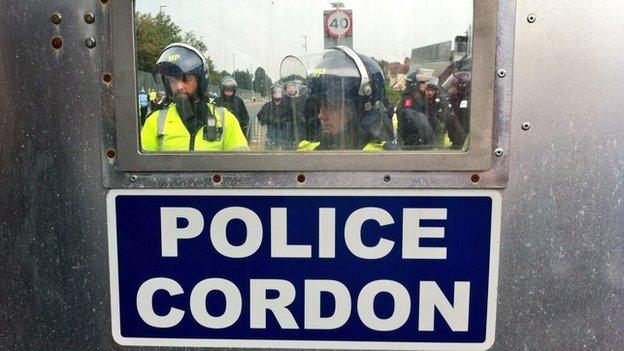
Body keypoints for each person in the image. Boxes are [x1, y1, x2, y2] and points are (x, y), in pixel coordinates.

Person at [140, 43, 249, 152]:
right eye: (173, 80)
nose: (179, 87)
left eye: (186, 78)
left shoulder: (226, 119)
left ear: (200, 81)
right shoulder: (155, 121)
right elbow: (141, 166)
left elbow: (242, 165)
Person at [297, 46, 396, 151]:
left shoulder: (382, 159)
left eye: (333, 107)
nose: (321, 115)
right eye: (319, 105)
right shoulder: (308, 152)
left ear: (361, 111)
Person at [257, 85, 294, 150]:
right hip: (272, 136)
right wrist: (271, 120)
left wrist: (283, 120)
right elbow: (260, 117)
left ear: (282, 93)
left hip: (285, 136)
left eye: (278, 92)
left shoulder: (287, 106)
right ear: (272, 94)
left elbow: (292, 117)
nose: (277, 94)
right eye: (275, 92)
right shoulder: (267, 106)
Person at [442, 71, 471, 149]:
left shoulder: (467, 101)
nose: (449, 87)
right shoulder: (454, 99)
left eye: (453, 85)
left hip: (462, 141)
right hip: (454, 139)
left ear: (462, 86)